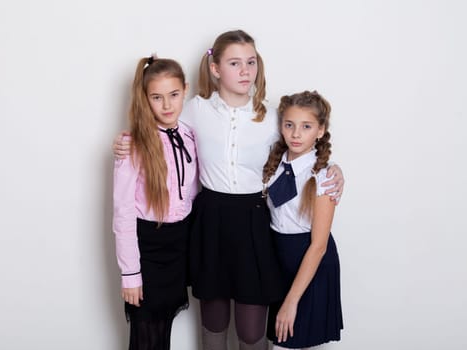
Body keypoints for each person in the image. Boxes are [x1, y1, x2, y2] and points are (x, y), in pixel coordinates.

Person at [114, 30, 345, 350]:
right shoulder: (194, 109)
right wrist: (127, 142)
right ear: (215, 68)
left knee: (251, 330)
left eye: (251, 62)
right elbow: (160, 128)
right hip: (210, 221)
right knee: (213, 322)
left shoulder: (274, 115)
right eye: (235, 63)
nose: (245, 70)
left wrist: (333, 169)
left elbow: (303, 145)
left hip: (253, 222)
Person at [112, 55, 199, 350]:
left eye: (174, 95)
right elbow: (123, 214)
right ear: (145, 99)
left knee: (163, 331)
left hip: (178, 248)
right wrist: (130, 274)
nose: (167, 105)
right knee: (145, 336)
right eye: (157, 97)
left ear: (185, 90)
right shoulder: (133, 144)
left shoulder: (190, 135)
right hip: (147, 249)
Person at [263, 90, 343, 349]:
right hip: (280, 261)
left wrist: (290, 301)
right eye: (289, 125)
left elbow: (318, 246)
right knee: (281, 340)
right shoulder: (273, 165)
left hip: (310, 263)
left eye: (306, 126)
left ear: (320, 131)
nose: (296, 134)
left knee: (288, 341)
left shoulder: (323, 177)